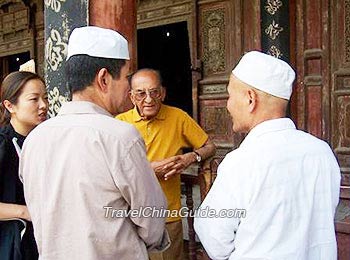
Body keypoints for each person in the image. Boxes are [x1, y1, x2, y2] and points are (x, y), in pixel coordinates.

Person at [19, 26, 169, 259]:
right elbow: (151, 219)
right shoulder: (120, 137)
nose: (129, 87)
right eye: (127, 76)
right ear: (104, 78)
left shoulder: (35, 139)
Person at [194, 51, 341, 260]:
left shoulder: (241, 162)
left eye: (230, 95)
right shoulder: (321, 152)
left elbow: (214, 236)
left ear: (250, 99)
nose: (227, 105)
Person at [117, 68, 216, 260]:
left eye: (154, 92)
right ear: (131, 96)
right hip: (129, 215)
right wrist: (149, 170)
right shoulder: (120, 123)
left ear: (163, 93)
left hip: (168, 215)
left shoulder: (177, 117)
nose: (148, 99)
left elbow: (209, 147)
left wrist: (191, 157)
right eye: (141, 93)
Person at [0, 71, 48, 259]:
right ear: (10, 105)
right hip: (14, 245)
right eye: (34, 99)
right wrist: (26, 212)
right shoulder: (3, 144)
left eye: (45, 97)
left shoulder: (47, 140)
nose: (43, 105)